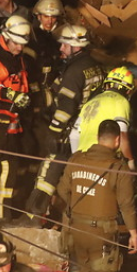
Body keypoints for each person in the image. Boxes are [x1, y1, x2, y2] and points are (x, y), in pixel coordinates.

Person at [57, 120, 137, 272]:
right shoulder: (117, 168)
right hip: (102, 236)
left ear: (98, 137)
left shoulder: (77, 159)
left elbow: (62, 191)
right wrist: (133, 232)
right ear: (117, 140)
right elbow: (126, 204)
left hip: (76, 233)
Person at [25, 24, 104, 218]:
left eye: (64, 45)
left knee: (50, 169)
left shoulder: (74, 71)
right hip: (87, 129)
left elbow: (66, 106)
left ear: (75, 47)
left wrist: (54, 131)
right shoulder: (93, 65)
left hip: (69, 130)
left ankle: (34, 212)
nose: (61, 49)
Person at [0, 15, 34, 220]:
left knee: (18, 163)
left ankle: (5, 212)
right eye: (17, 43)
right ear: (6, 37)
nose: (20, 48)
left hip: (12, 121)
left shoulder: (14, 56)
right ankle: (0, 218)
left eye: (22, 44)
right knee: (5, 169)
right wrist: (9, 94)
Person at [72, 67, 134, 162]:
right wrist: (130, 161)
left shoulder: (90, 102)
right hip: (104, 158)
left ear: (106, 85)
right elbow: (122, 135)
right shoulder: (121, 101)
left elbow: (74, 134)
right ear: (129, 91)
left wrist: (75, 157)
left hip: (82, 158)